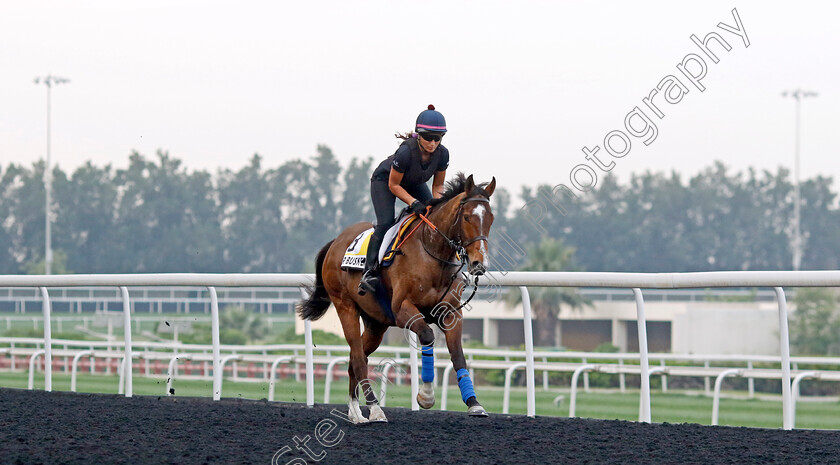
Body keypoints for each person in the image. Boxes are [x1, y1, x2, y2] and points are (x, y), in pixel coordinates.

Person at [358, 104, 450, 295]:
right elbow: (394, 185)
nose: (433, 143)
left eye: (437, 138)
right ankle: (369, 271)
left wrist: (438, 206)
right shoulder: (406, 152)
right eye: (428, 138)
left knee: (431, 215)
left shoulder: (443, 154)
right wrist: (412, 202)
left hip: (412, 182)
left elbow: (438, 186)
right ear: (418, 134)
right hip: (385, 182)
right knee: (385, 224)